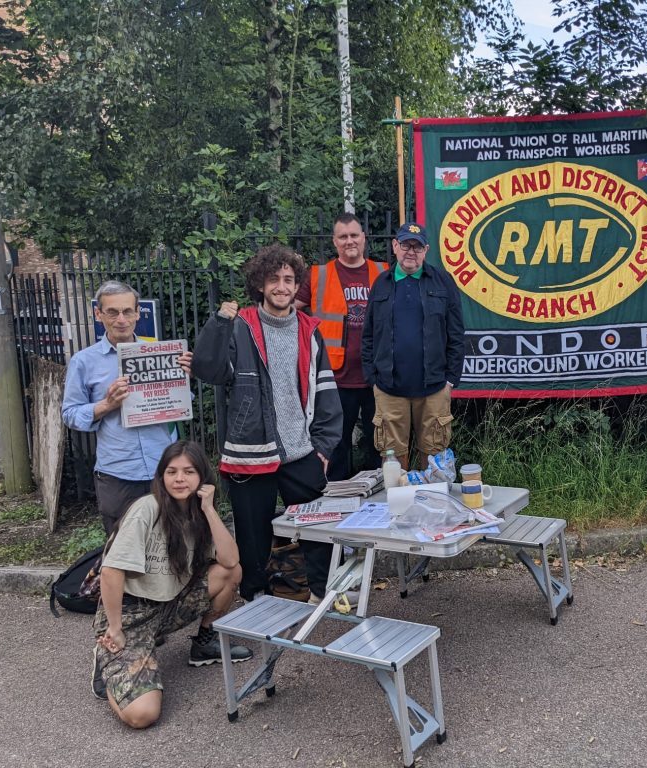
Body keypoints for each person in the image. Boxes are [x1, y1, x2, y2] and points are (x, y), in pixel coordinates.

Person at [190, 244, 343, 603]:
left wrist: (322, 448)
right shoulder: (240, 325)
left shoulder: (310, 328)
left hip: (302, 451)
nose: (281, 286)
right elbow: (208, 369)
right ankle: (255, 600)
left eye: (289, 280)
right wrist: (219, 324)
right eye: (274, 279)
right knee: (252, 535)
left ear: (296, 286)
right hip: (249, 452)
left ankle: (323, 595)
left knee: (317, 530)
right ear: (260, 283)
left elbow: (326, 392)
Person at [91, 440, 252, 729]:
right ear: (161, 476)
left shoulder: (199, 513)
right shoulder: (147, 509)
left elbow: (230, 560)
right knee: (142, 715)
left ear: (202, 478)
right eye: (171, 471)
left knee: (230, 573)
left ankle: (204, 644)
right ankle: (108, 663)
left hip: (169, 604)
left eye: (189, 472)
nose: (179, 479)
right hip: (130, 616)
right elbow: (111, 571)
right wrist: (115, 628)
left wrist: (210, 509)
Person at [62, 281, 192, 535]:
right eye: (112, 312)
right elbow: (70, 414)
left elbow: (181, 403)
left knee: (173, 545)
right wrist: (106, 405)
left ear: (137, 313)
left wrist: (182, 376)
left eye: (127, 311)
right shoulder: (84, 361)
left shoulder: (159, 351)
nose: (121, 319)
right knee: (121, 551)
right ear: (98, 315)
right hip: (118, 472)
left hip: (164, 468)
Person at [362, 222, 465, 470]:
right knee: (392, 460)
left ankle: (434, 505)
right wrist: (372, 378)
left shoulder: (442, 282)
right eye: (406, 245)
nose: (411, 251)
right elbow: (368, 335)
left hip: (434, 388)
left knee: (434, 459)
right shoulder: (382, 284)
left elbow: (456, 333)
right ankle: (397, 507)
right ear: (395, 246)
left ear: (426, 250)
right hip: (389, 388)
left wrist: (451, 378)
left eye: (417, 247)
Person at [296, 213, 386, 481]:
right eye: (343, 236)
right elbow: (286, 311)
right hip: (335, 379)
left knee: (378, 445)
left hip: (376, 377)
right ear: (335, 241)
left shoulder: (384, 273)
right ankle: (335, 500)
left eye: (354, 235)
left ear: (364, 238)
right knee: (335, 445)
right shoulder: (317, 275)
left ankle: (377, 498)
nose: (350, 241)